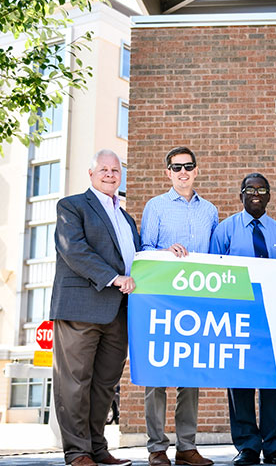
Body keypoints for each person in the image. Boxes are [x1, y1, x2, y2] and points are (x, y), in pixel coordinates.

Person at [51, 149, 139, 466]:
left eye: (115, 170)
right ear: (91, 174)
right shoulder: (72, 206)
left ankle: (97, 447)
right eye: (103, 169)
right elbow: (73, 250)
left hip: (118, 312)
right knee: (74, 382)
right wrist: (114, 278)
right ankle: (77, 452)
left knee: (104, 385)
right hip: (80, 307)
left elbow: (136, 260)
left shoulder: (126, 217)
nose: (110, 174)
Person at [209, 173, 276, 466]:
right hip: (237, 319)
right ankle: (247, 445)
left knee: (273, 384)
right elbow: (214, 276)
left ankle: (274, 446)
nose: (256, 193)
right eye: (249, 189)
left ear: (269, 196)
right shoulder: (225, 231)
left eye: (262, 189)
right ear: (240, 195)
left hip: (272, 319)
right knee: (240, 385)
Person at [141, 147, 218, 466]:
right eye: (177, 167)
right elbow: (144, 248)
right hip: (160, 296)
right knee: (156, 373)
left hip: (195, 300)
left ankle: (186, 446)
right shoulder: (155, 206)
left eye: (188, 166)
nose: (183, 171)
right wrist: (163, 250)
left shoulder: (210, 211)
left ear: (197, 170)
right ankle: (157, 447)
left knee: (191, 373)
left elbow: (214, 257)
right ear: (168, 173)